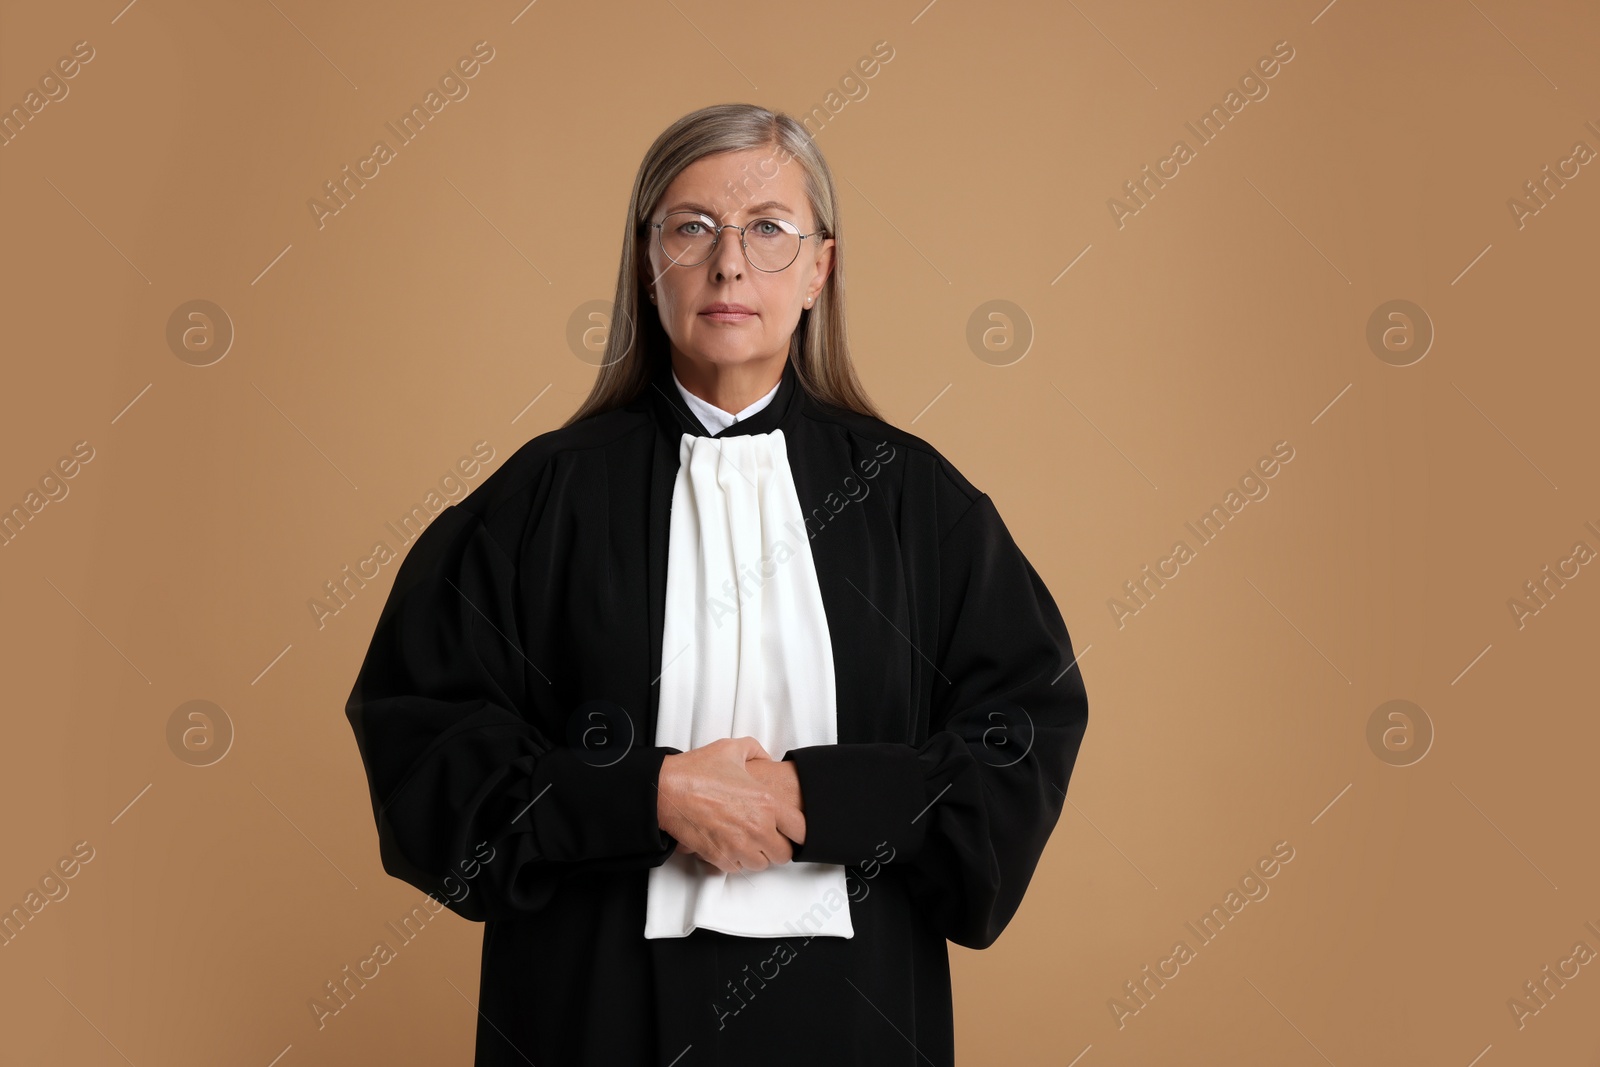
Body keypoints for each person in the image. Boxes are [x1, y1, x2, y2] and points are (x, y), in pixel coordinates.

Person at [343, 102, 1090, 1066]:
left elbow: (1019, 734)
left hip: (856, 1018)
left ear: (820, 267)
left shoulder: (917, 502)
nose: (729, 264)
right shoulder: (540, 498)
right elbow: (422, 742)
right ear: (646, 262)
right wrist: (644, 794)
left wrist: (822, 796)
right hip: (593, 1010)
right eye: (692, 227)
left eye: (769, 229)